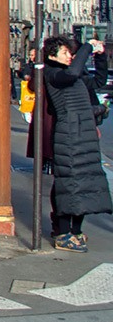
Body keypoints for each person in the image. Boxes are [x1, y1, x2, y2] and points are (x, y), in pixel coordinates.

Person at [41, 36, 111, 251]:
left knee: (84, 182)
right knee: (69, 183)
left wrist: (100, 58)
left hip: (83, 134)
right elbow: (71, 73)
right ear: (53, 56)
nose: (69, 56)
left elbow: (98, 81)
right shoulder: (53, 73)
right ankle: (63, 233)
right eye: (65, 53)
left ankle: (76, 231)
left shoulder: (73, 75)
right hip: (69, 136)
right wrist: (88, 47)